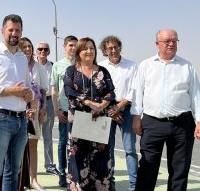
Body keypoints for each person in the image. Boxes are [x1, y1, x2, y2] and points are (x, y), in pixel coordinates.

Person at [131, 28, 200, 191]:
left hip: (182, 124)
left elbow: (196, 96)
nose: (171, 44)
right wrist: (136, 118)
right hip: (152, 122)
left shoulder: (187, 67)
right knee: (148, 167)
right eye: (167, 41)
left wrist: (199, 120)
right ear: (157, 43)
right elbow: (137, 93)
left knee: (179, 169)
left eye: (174, 40)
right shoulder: (146, 65)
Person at [0, 14, 33, 191]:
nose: (14, 33)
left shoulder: (22, 58)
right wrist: (11, 91)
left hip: (21, 120)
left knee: (14, 170)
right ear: (3, 31)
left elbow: (29, 87)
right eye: (11, 30)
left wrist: (29, 95)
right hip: (1, 118)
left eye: (17, 30)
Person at [63, 37, 115, 190]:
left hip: (98, 120)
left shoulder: (102, 71)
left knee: (101, 158)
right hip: (78, 121)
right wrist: (88, 102)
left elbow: (111, 92)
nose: (89, 51)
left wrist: (102, 105)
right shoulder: (71, 71)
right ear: (79, 52)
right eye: (85, 48)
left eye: (92, 48)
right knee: (77, 158)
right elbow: (69, 91)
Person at [99, 35, 138, 191]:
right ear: (104, 50)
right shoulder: (100, 67)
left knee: (130, 150)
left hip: (126, 109)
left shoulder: (132, 65)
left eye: (116, 47)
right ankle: (110, 183)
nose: (113, 50)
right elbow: (99, 90)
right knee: (107, 149)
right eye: (110, 48)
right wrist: (110, 109)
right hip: (106, 110)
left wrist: (119, 107)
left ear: (120, 47)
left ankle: (134, 185)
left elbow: (135, 89)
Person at [20, 37, 48, 191]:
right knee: (18, 146)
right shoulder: (15, 64)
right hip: (18, 110)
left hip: (34, 111)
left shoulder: (39, 67)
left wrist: (43, 108)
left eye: (29, 46)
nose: (28, 49)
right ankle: (20, 180)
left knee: (33, 144)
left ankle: (33, 179)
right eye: (24, 46)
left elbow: (43, 90)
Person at [50, 35, 78, 187]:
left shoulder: (81, 64)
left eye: (75, 45)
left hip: (79, 111)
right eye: (70, 45)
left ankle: (73, 173)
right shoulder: (57, 66)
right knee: (62, 143)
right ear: (65, 47)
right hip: (64, 111)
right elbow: (54, 90)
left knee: (76, 144)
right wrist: (56, 110)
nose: (73, 48)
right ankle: (62, 173)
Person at [36, 42, 60, 178]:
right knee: (30, 135)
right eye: (40, 49)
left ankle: (49, 165)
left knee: (47, 135)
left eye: (45, 49)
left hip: (49, 103)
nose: (43, 51)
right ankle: (26, 166)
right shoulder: (32, 66)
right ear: (36, 51)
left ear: (49, 52)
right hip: (33, 103)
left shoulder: (53, 66)